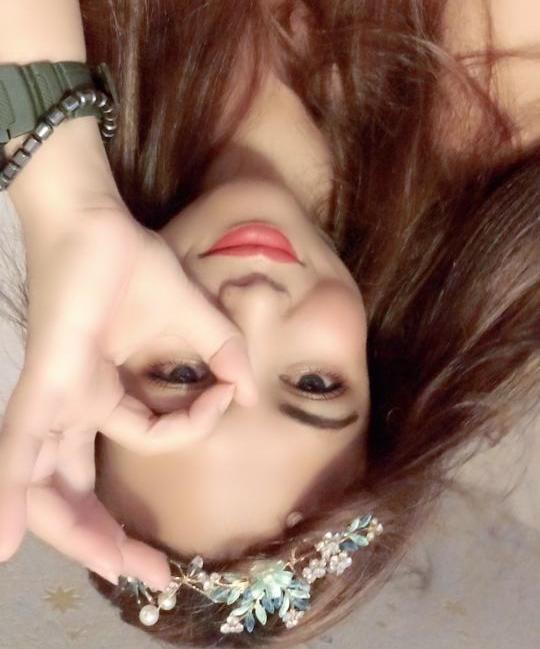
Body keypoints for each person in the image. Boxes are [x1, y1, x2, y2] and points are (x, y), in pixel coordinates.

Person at [0, 0, 539, 646]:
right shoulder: (499, 90)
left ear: (100, 351)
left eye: (181, 372)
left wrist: (66, 194)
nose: (254, 305)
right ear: (378, 382)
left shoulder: (77, 96)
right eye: (314, 384)